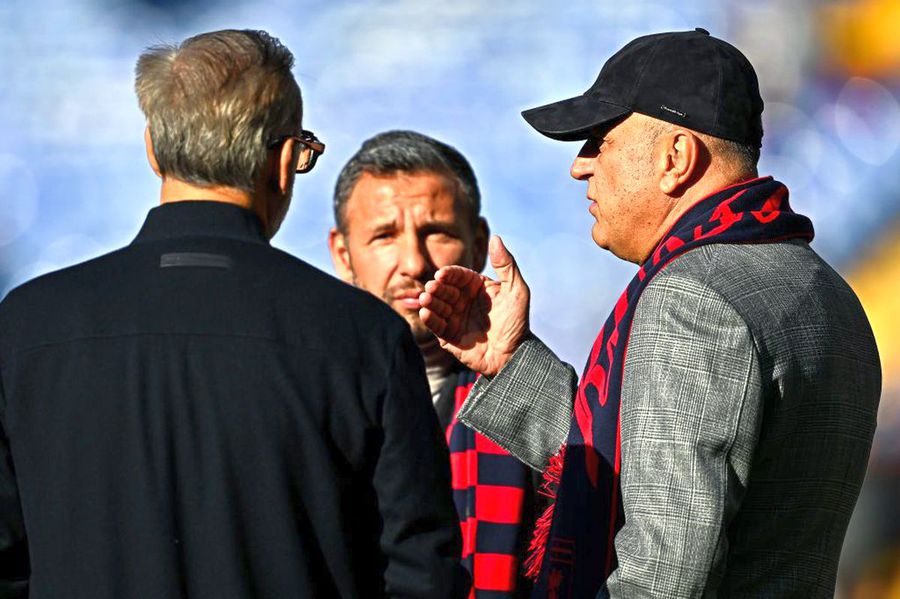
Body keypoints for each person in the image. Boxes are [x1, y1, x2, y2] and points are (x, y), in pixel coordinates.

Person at [0, 29, 467, 599]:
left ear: (152, 151)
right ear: (286, 162)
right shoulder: (364, 336)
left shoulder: (25, 327)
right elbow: (422, 576)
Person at [418, 28, 881, 598]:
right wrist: (512, 363)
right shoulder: (822, 286)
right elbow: (648, 470)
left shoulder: (691, 300)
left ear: (676, 158)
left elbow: (665, 573)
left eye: (599, 141)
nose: (579, 167)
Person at [328, 130, 537, 598]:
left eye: (436, 232)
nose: (413, 262)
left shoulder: (532, 398)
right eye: (384, 235)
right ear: (343, 254)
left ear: (478, 243)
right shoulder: (311, 396)